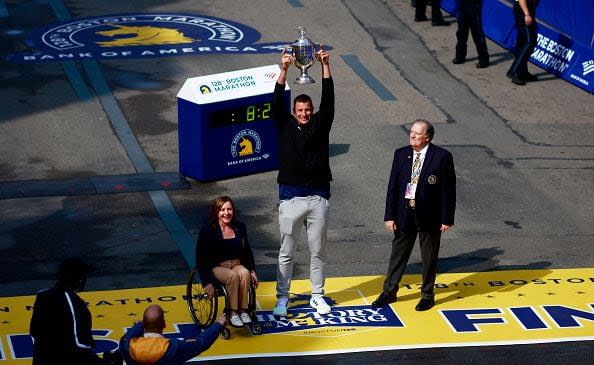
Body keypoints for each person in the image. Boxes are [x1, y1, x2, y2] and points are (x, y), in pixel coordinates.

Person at [271, 47, 334, 317]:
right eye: (300, 110)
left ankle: (317, 295)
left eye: (308, 109)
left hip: (318, 197)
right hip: (290, 197)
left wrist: (325, 66)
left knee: (317, 251)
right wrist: (284, 71)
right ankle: (282, 298)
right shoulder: (285, 126)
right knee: (286, 252)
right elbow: (276, 103)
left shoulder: (321, 125)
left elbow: (329, 101)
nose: (305, 113)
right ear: (294, 111)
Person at [372, 119, 456, 312]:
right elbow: (392, 186)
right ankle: (389, 291)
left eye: (417, 134)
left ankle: (427, 295)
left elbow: (448, 190)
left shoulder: (441, 157)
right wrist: (389, 215)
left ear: (427, 137)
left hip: (430, 215)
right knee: (398, 254)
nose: (412, 136)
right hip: (404, 213)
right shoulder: (401, 154)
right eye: (412, 132)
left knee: (429, 257)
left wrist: (446, 218)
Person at [195, 196, 259, 328]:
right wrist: (207, 283)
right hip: (218, 267)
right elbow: (200, 258)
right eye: (222, 210)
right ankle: (232, 312)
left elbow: (247, 250)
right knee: (232, 276)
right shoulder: (208, 230)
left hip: (236, 264)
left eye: (229, 209)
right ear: (216, 212)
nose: (226, 213)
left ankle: (243, 310)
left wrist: (252, 270)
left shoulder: (239, 227)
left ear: (233, 211)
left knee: (245, 273)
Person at [30, 257, 106, 365]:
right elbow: (80, 345)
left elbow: (35, 331)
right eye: (84, 276)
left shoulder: (42, 295)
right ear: (78, 279)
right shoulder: (75, 304)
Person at [119, 304, 226, 365]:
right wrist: (218, 325)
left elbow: (130, 334)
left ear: (144, 324)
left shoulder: (126, 345)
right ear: (164, 324)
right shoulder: (173, 347)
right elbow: (201, 342)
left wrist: (141, 324)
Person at [506, 0, 538, 85]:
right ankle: (513, 70)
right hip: (523, 11)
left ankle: (522, 71)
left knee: (522, 41)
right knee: (530, 41)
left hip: (527, 10)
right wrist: (527, 14)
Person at [452, 0, 490, 68]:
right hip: (462, 4)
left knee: (477, 33)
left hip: (474, 4)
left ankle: (484, 59)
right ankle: (460, 56)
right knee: (461, 31)